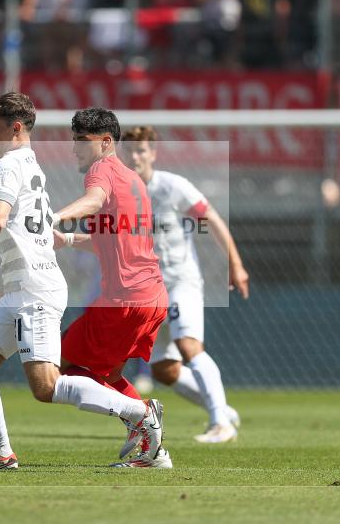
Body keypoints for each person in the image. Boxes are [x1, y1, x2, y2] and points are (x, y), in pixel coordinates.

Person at [0, 93, 165, 471]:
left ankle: (140, 414)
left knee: (48, 385)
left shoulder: (8, 168)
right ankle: (1, 454)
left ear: (15, 128)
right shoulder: (31, 163)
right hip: (26, 286)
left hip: (38, 291)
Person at [52, 108, 171, 468]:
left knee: (55, 366)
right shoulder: (133, 180)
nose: (75, 149)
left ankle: (143, 418)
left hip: (125, 300)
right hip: (152, 297)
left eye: (81, 141)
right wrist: (69, 240)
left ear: (105, 142)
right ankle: (154, 449)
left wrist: (53, 216)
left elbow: (94, 200)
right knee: (108, 375)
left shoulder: (101, 170)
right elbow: (114, 237)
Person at [119, 126, 249, 444]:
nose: (136, 156)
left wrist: (236, 263)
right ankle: (222, 409)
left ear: (153, 153)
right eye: (130, 151)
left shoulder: (172, 186)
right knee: (164, 369)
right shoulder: (121, 192)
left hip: (181, 281)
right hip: (149, 290)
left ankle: (221, 423)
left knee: (190, 348)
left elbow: (213, 219)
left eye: (142, 150)